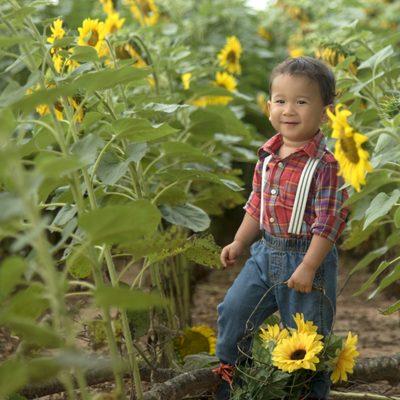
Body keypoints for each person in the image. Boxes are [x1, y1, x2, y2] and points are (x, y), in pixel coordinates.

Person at [212, 56, 350, 400]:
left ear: (326, 112)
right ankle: (235, 384)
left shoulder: (326, 165)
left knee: (307, 341)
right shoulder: (267, 157)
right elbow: (257, 205)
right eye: (281, 100)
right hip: (264, 254)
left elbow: (329, 223)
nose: (289, 110)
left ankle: (307, 394)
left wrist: (308, 266)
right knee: (233, 314)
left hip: (306, 261)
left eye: (301, 102)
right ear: (268, 106)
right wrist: (239, 241)